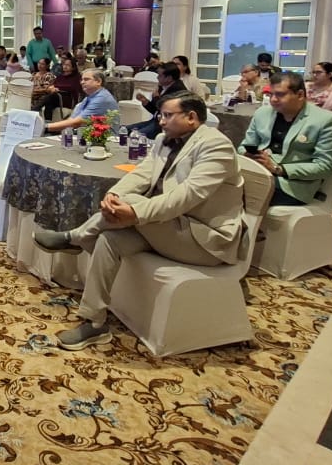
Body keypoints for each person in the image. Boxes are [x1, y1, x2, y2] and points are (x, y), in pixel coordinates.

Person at [35, 94, 247, 350]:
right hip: (169, 227)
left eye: (167, 115)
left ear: (191, 117)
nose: (161, 121)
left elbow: (186, 196)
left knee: (133, 203)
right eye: (160, 115)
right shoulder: (164, 140)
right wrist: (114, 195)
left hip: (204, 239)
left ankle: (75, 237)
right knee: (109, 239)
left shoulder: (216, 146)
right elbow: (142, 174)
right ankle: (94, 322)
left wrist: (135, 211)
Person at [239, 72, 332, 206]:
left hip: (291, 185)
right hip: (257, 172)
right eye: (270, 94)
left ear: (300, 95)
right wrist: (248, 154)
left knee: (235, 193)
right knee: (223, 182)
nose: (273, 100)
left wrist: (278, 169)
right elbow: (243, 146)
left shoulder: (325, 120)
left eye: (280, 94)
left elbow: (325, 166)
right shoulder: (262, 113)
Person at [47, 68, 117, 133]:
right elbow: (71, 120)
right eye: (82, 80)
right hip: (87, 136)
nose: (82, 82)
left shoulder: (102, 98)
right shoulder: (89, 97)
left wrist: (46, 127)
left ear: (98, 81)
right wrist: (48, 127)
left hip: (107, 139)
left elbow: (76, 123)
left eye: (86, 79)